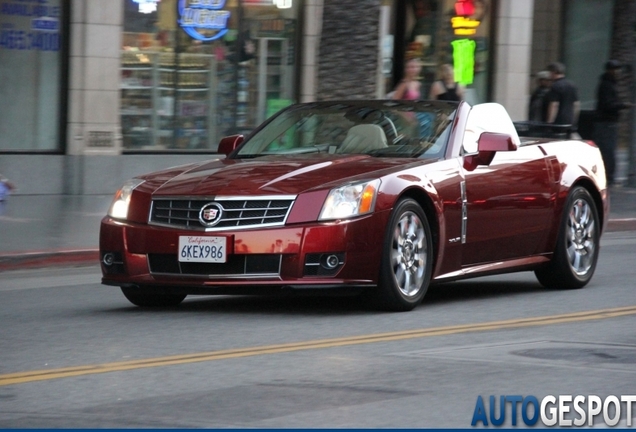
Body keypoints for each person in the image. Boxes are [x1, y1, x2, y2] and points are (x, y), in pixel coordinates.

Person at [594, 60, 633, 186]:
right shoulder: (607, 85)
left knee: (608, 149)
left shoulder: (609, 84)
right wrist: (623, 105)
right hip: (607, 122)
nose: (618, 72)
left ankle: (608, 175)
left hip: (608, 121)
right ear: (610, 70)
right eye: (615, 69)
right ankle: (608, 176)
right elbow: (608, 104)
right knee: (608, 150)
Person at [545, 62, 580, 135]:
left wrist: (549, 122)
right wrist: (573, 121)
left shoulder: (555, 86)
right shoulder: (572, 85)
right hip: (569, 121)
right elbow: (576, 105)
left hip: (558, 121)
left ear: (553, 72)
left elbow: (554, 105)